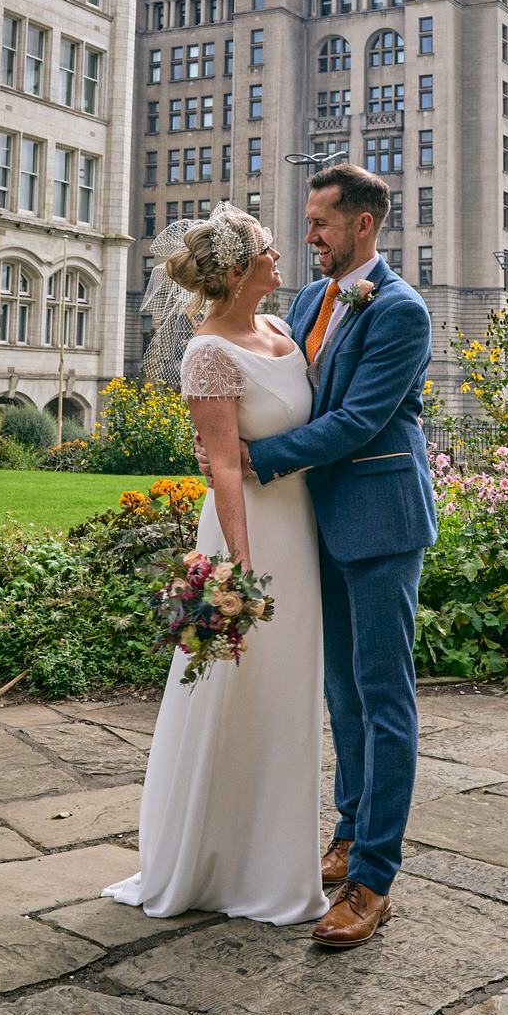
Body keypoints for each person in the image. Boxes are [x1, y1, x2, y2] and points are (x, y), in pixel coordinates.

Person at [200, 162, 438, 949]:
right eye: (305, 222)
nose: (308, 235)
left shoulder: (399, 310)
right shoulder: (307, 299)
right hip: (313, 527)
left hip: (378, 522)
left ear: (362, 225)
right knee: (340, 694)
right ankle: (347, 831)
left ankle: (374, 878)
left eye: (321, 223)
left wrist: (247, 461)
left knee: (383, 700)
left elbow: (359, 422)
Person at [103, 204, 329, 926]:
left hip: (299, 529)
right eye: (266, 249)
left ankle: (273, 859)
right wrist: (240, 567)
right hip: (250, 538)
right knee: (233, 690)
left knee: (288, 698)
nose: (278, 253)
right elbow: (224, 472)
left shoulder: (282, 330)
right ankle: (213, 862)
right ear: (238, 274)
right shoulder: (207, 352)